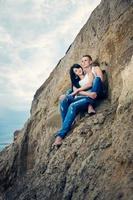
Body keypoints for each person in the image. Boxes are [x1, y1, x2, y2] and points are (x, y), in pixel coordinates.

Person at [52, 55, 104, 147]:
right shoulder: (76, 82)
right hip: (85, 97)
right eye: (82, 61)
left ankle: (60, 136)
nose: (83, 63)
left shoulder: (91, 72)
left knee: (73, 105)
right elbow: (76, 92)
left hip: (95, 92)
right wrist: (72, 92)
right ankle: (66, 125)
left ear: (90, 61)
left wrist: (78, 91)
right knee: (64, 99)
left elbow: (96, 82)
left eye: (85, 60)